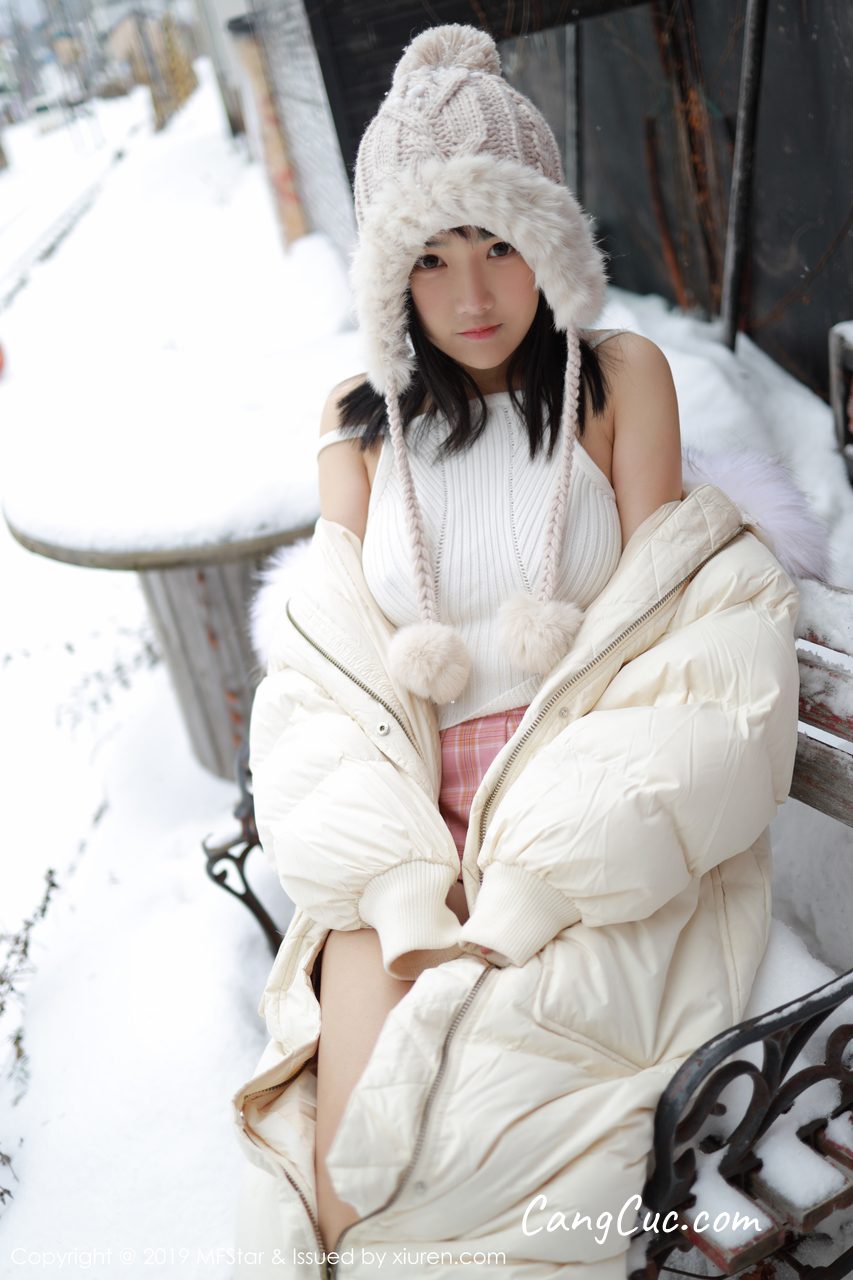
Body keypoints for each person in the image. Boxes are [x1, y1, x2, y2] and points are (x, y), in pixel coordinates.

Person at [234, 25, 824, 1280]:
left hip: (583, 809)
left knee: (491, 1134)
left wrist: (538, 872)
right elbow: (328, 673)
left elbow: (673, 629)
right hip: (410, 825)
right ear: (388, 277)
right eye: (430, 258)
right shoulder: (357, 424)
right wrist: (392, 877)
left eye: (498, 242)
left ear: (547, 240)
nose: (473, 295)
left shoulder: (615, 379)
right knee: (346, 1180)